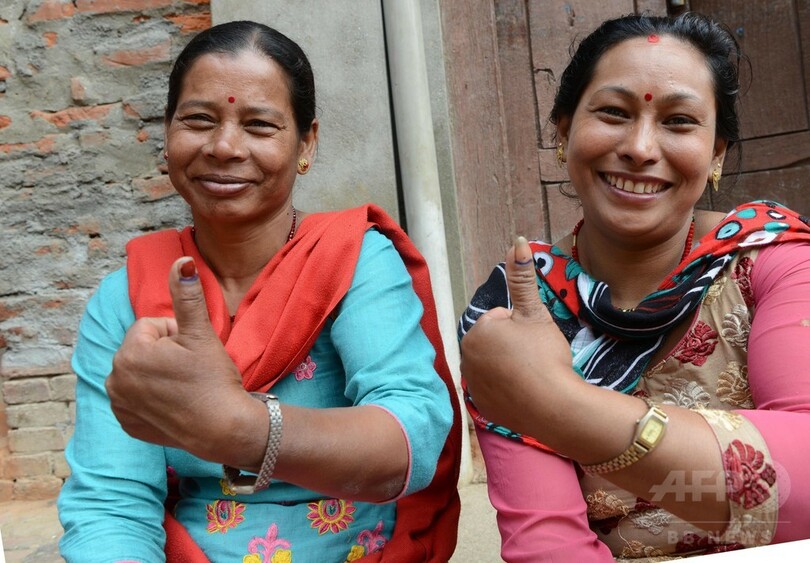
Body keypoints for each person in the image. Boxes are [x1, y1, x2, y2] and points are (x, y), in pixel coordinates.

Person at [58, 20, 461, 562]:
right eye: (199, 120)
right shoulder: (126, 299)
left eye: (259, 125)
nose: (224, 146)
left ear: (306, 143)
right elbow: (112, 505)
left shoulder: (351, 261)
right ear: (167, 133)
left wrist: (243, 429)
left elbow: (411, 436)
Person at [458, 12, 810, 561]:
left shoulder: (773, 261)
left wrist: (558, 403)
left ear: (716, 153)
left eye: (679, 121)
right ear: (563, 131)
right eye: (614, 113)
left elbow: (804, 488)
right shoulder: (520, 317)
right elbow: (550, 545)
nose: (641, 147)